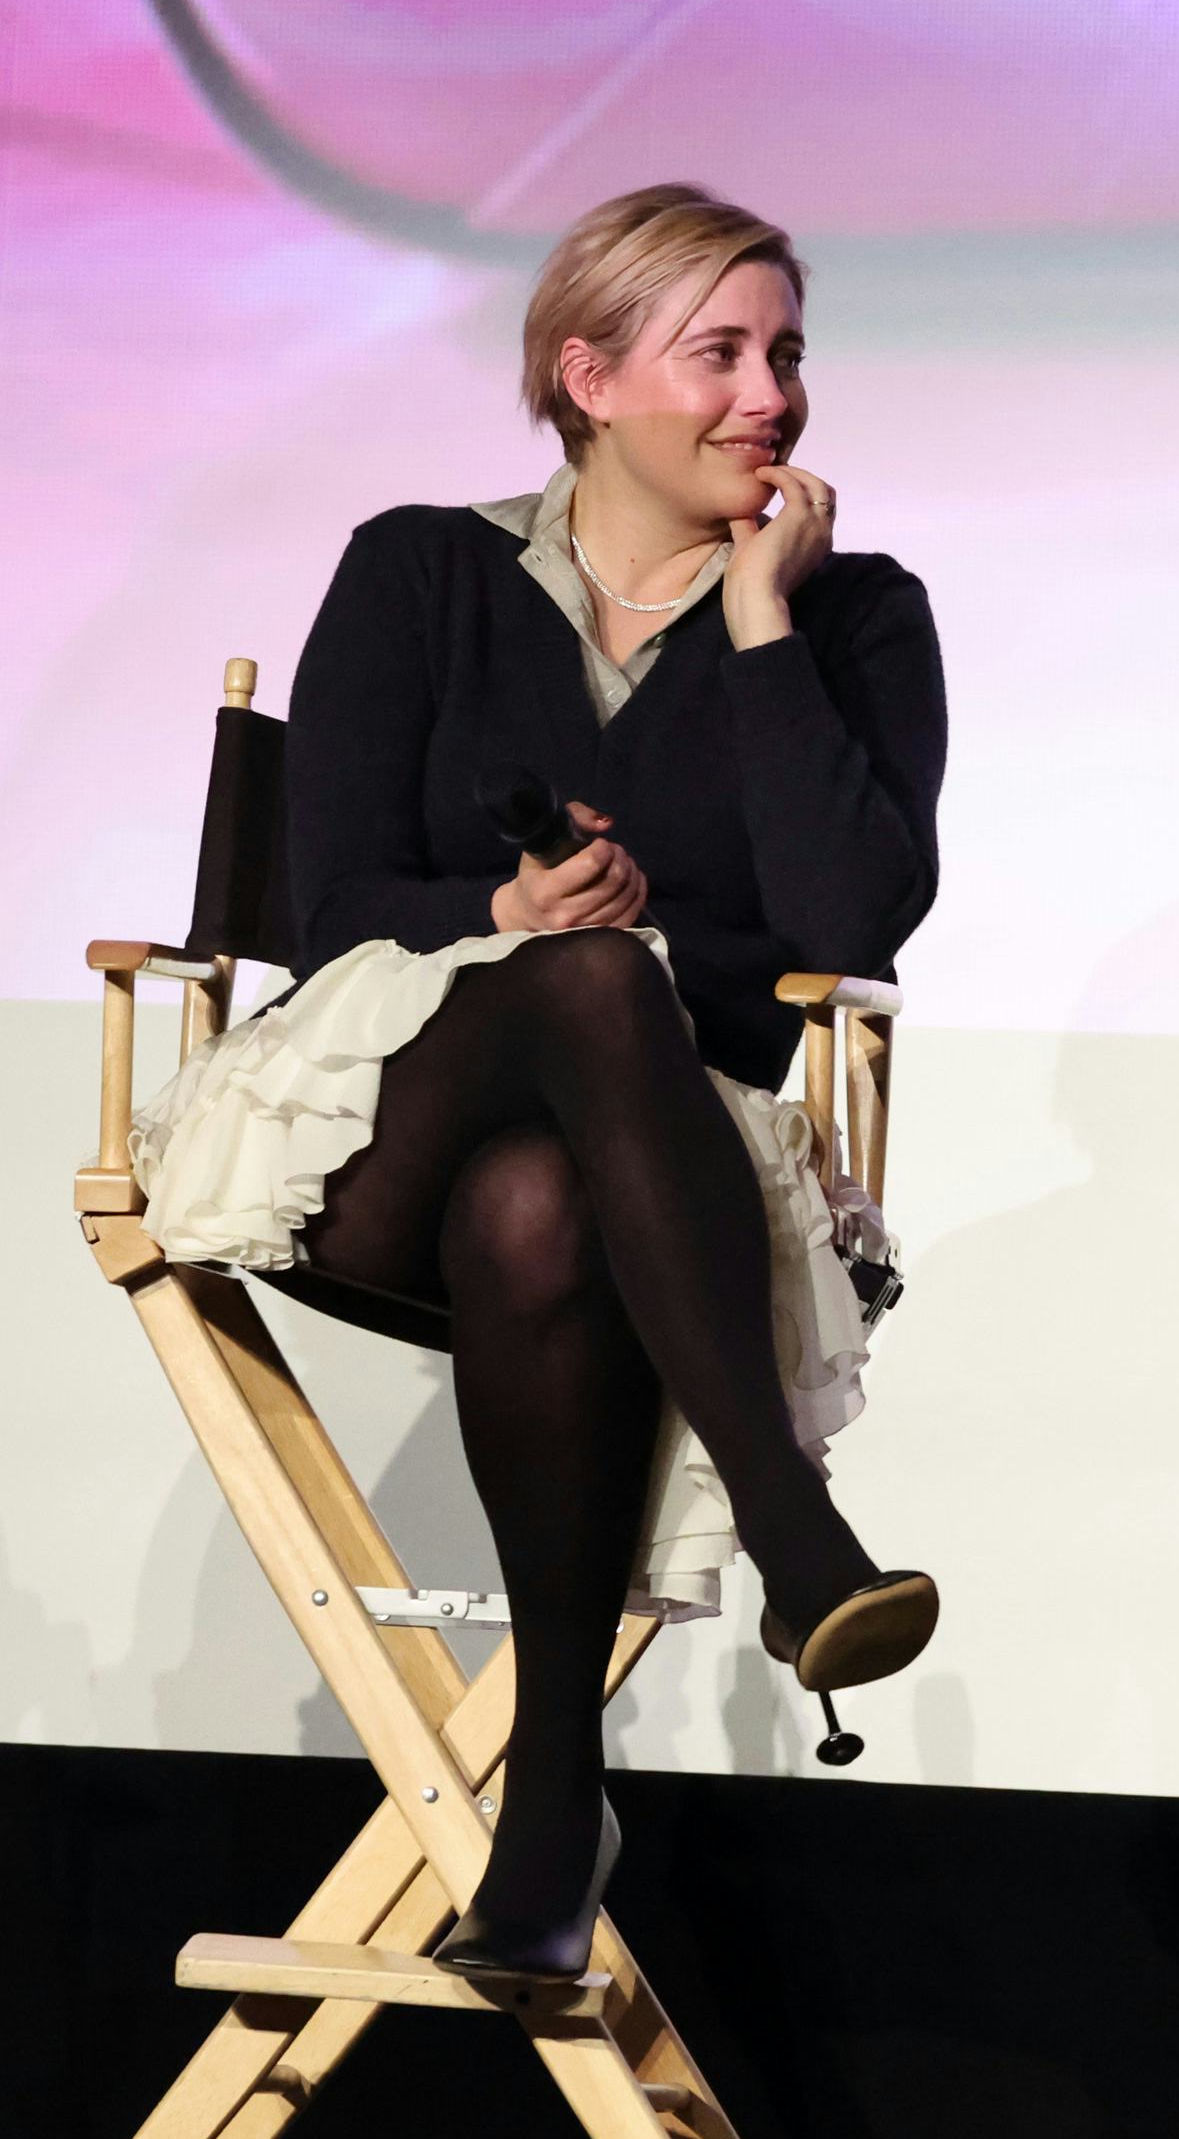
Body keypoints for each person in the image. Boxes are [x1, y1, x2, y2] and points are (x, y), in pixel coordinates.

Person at [130, 184, 947, 1979]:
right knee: (577, 976)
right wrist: (500, 908)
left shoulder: (854, 619)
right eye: (719, 354)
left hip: (660, 1157)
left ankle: (554, 1802)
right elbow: (335, 901)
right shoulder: (419, 565)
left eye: (786, 354)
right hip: (380, 1116)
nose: (771, 398)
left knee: (545, 1203)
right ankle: (796, 1531)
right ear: (587, 377)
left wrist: (759, 632)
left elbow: (850, 919)